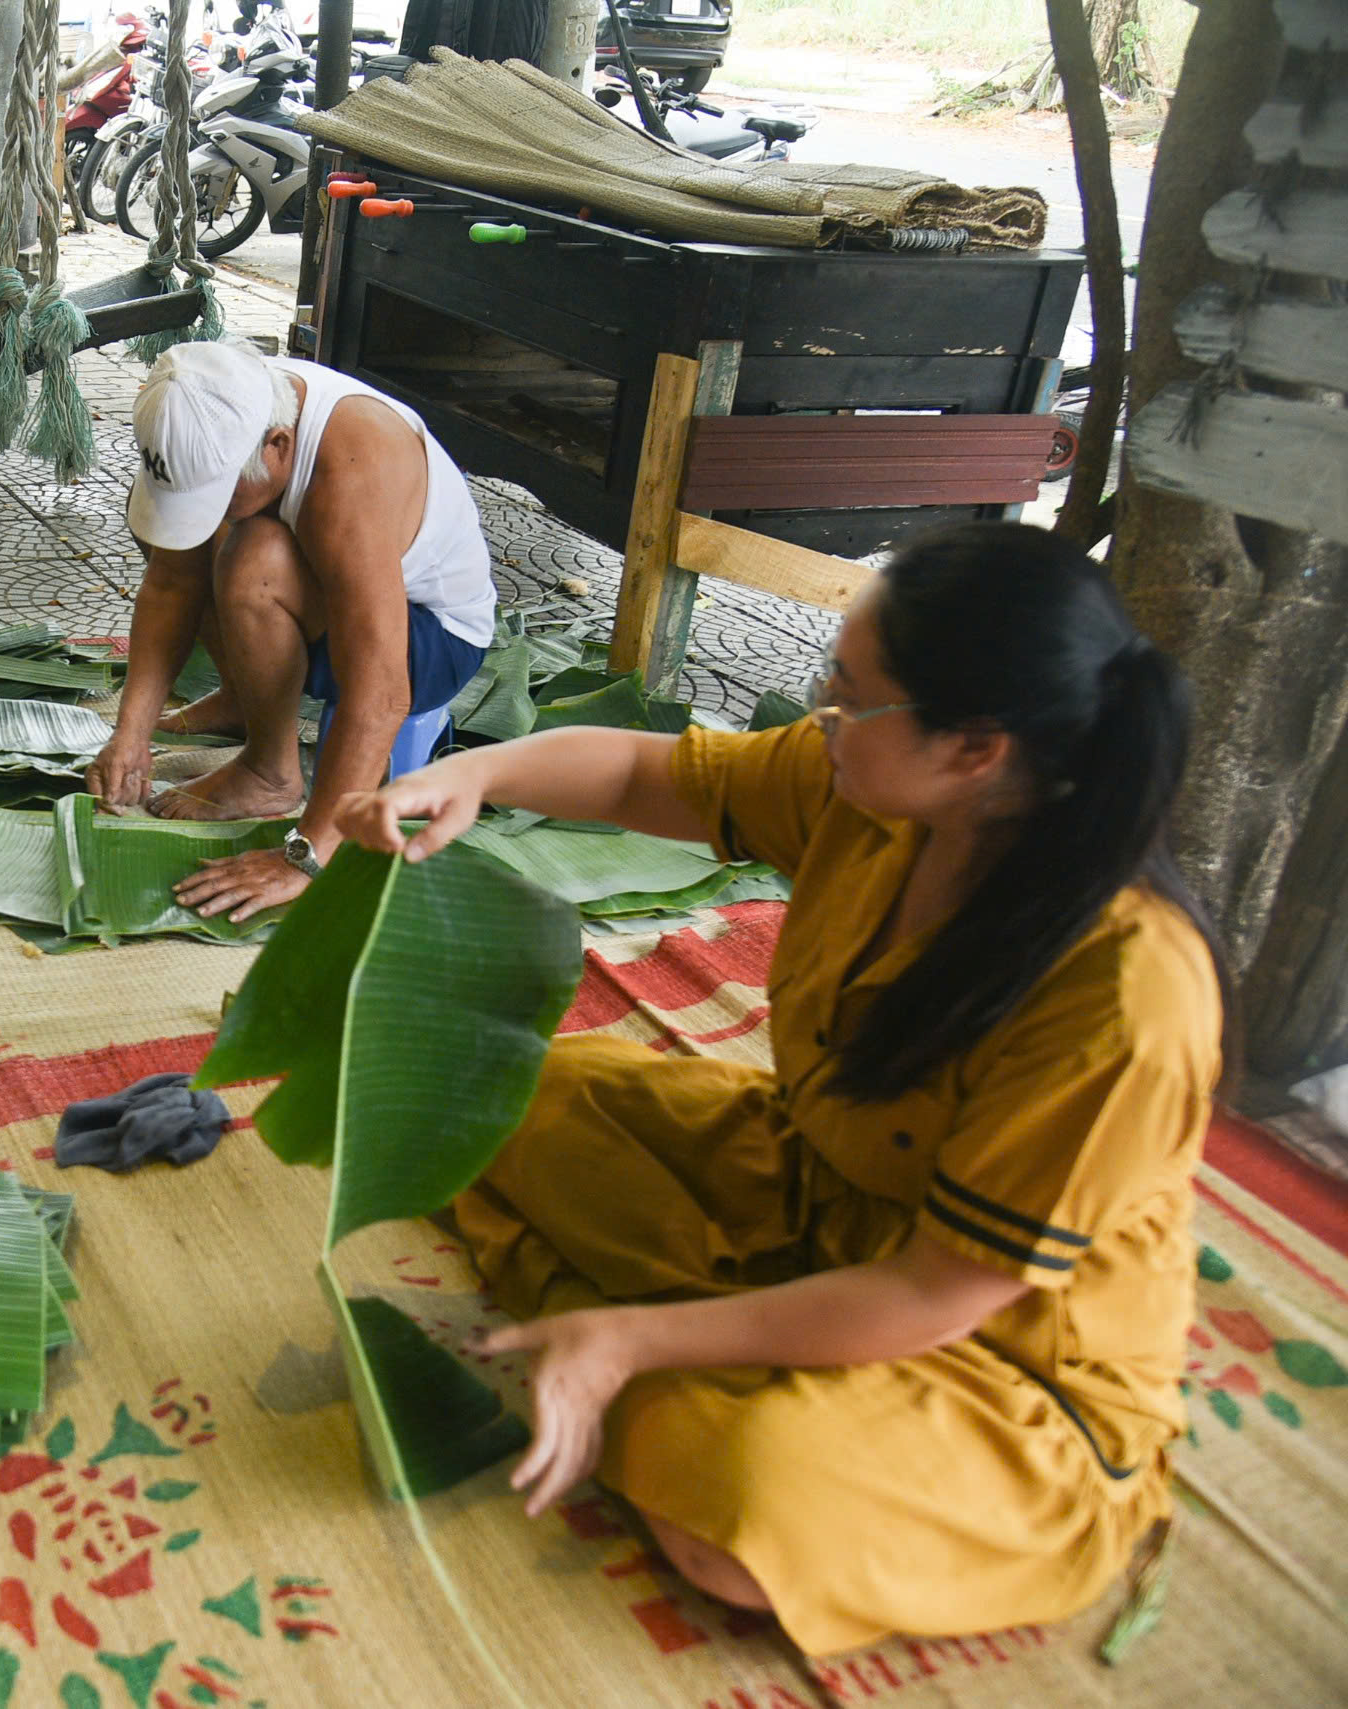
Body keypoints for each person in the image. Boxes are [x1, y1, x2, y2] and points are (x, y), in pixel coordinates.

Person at [334, 523, 1220, 1654]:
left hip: (997, 1352)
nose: (820, 714)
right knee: (498, 1091)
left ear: (974, 748)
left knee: (738, 1506)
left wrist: (630, 1348)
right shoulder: (874, 786)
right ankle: (655, 1340)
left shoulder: (1123, 995)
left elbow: (937, 1292)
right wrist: (469, 772)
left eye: (848, 695)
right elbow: (647, 770)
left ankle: (625, 1342)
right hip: (806, 1189)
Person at [86, 341, 497, 923]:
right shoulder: (215, 410)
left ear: (279, 446)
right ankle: (243, 699)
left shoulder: (352, 469)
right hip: (335, 604)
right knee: (190, 532)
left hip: (433, 640)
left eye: (225, 490)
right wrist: (131, 737)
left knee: (252, 557)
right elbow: (173, 583)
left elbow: (381, 694)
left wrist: (306, 856)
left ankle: (269, 772)